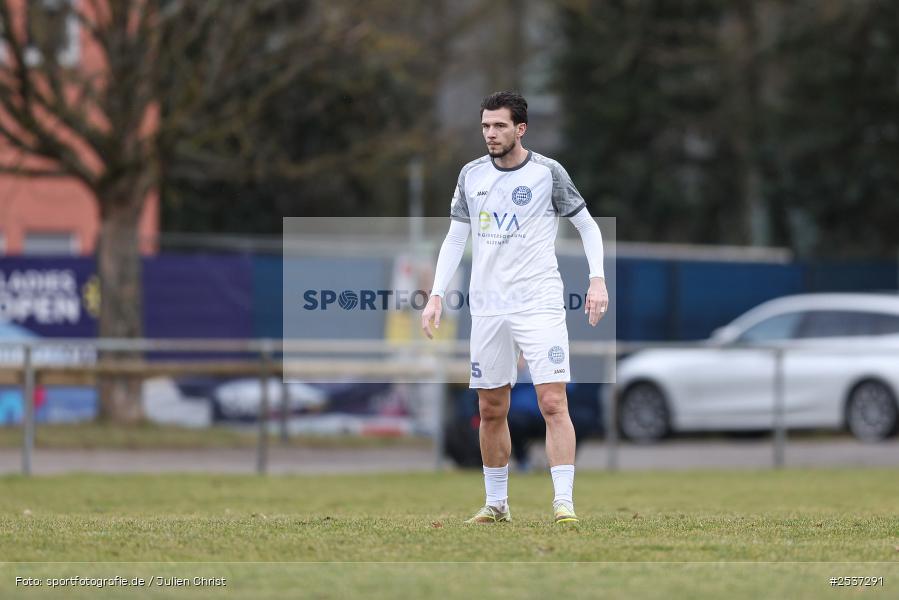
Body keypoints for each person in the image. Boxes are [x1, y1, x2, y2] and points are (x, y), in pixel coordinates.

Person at [421, 91, 608, 525]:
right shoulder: (470, 175)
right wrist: (435, 294)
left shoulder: (548, 173)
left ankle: (564, 503)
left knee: (552, 402)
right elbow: (455, 238)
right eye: (486, 125)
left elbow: (587, 225)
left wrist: (597, 280)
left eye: (500, 125)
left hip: (539, 304)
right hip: (488, 308)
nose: (491, 133)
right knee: (490, 408)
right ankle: (497, 504)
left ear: (520, 128)